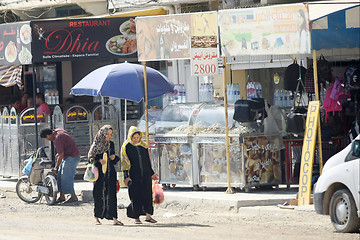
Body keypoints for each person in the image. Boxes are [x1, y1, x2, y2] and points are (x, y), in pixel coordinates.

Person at [121, 126, 159, 224]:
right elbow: (124, 163)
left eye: (138, 137)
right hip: (134, 175)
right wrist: (126, 176)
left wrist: (152, 173)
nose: (136, 140)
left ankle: (148, 216)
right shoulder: (126, 147)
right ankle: (136, 218)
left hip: (145, 175)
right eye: (134, 138)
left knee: (147, 195)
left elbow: (147, 161)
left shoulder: (144, 146)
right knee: (135, 196)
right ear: (130, 137)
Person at [88, 125, 123, 226]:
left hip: (110, 173)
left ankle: (114, 218)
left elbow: (115, 159)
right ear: (102, 133)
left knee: (112, 195)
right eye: (107, 134)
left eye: (111, 134)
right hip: (98, 174)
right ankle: (96, 218)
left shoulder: (111, 144)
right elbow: (90, 158)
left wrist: (114, 158)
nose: (109, 136)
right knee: (98, 194)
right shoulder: (96, 145)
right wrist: (99, 160)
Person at [40, 128, 80, 203]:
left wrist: (55, 169)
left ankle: (73, 197)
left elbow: (61, 155)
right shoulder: (58, 131)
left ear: (48, 135)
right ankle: (62, 196)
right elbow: (65, 144)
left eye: (46, 138)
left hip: (72, 157)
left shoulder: (57, 139)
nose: (47, 140)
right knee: (60, 176)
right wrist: (60, 153)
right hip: (69, 156)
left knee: (66, 177)